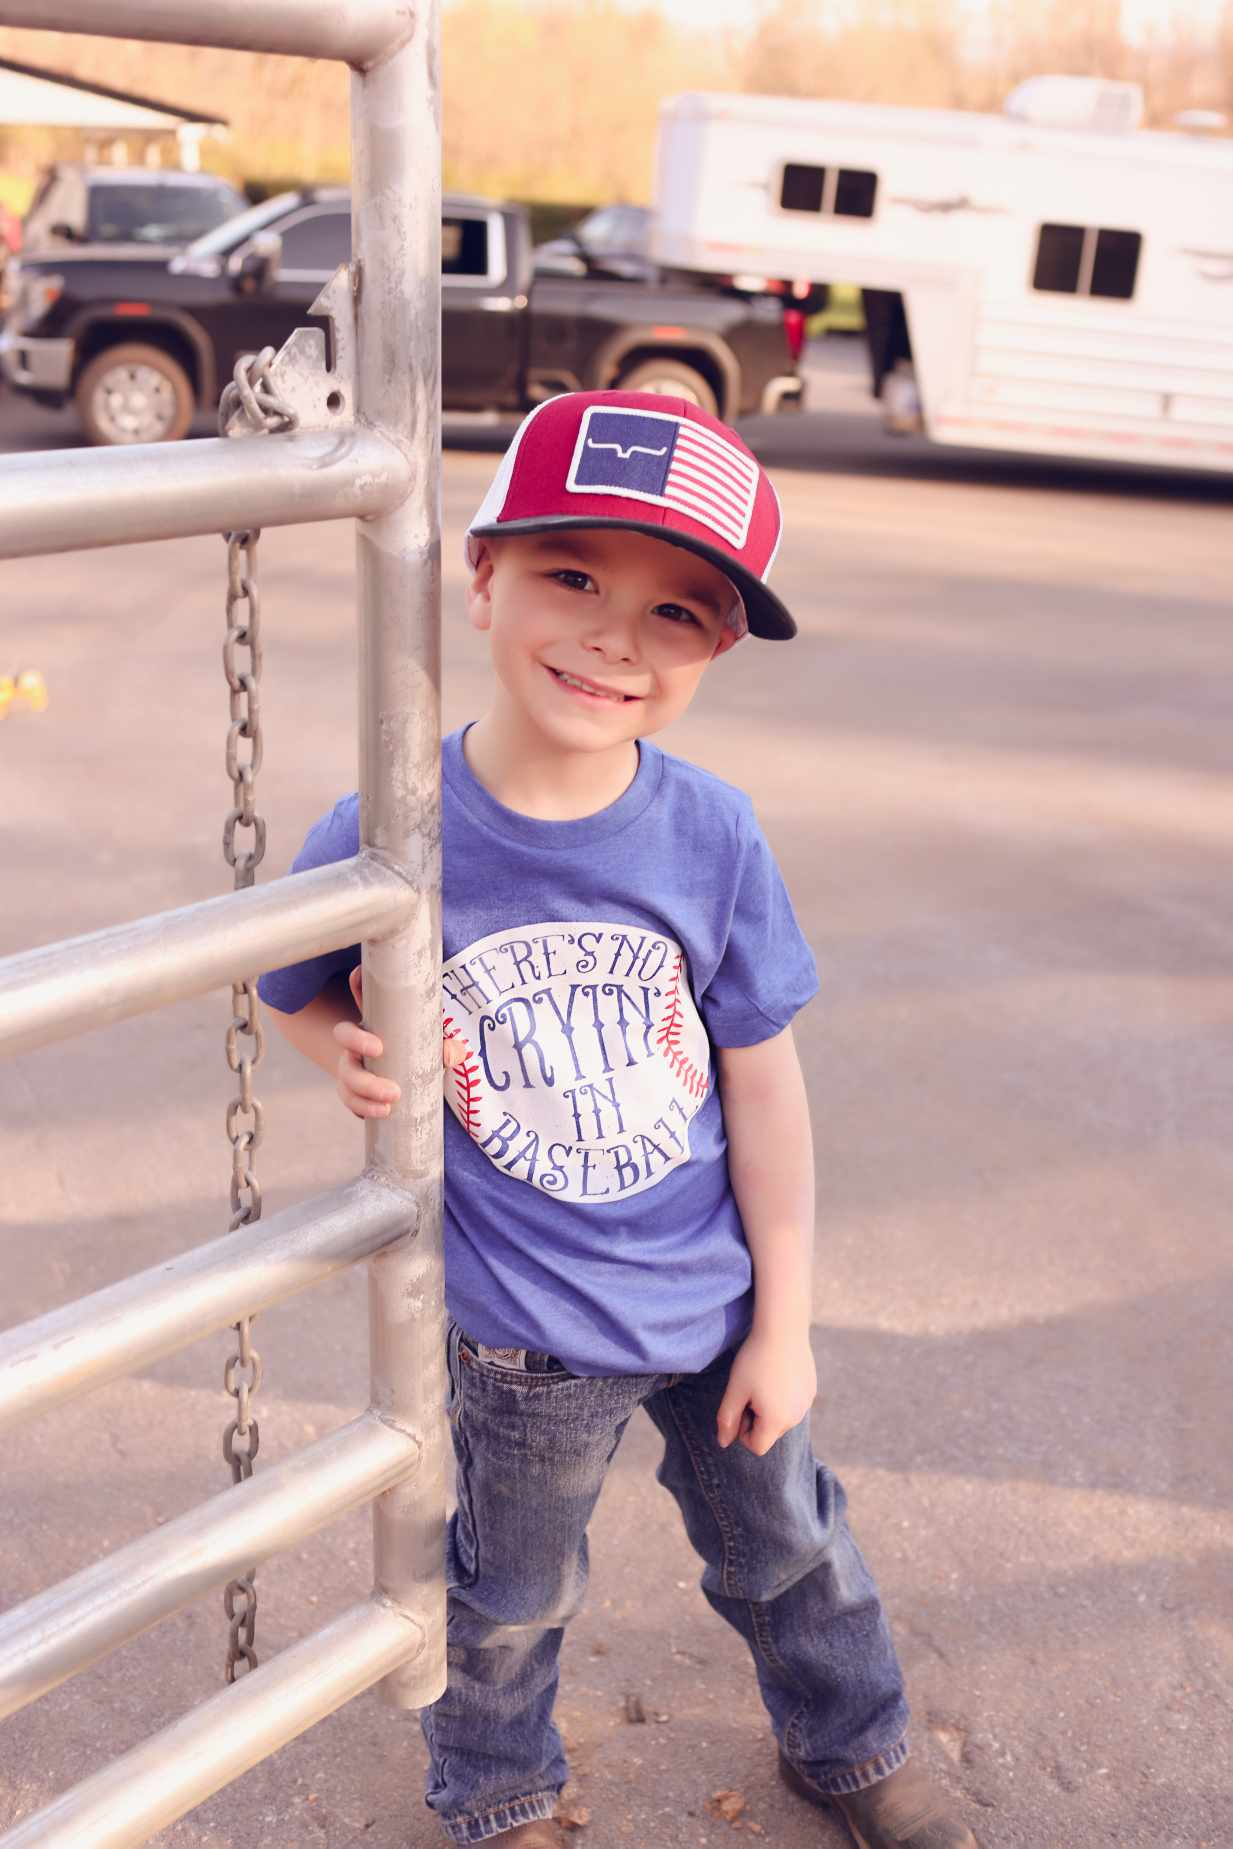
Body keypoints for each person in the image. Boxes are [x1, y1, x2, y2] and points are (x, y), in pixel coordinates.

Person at [258, 391, 976, 1849]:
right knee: (514, 1594)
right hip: (523, 1336)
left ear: (718, 647)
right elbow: (294, 988)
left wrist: (787, 1320)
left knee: (793, 1554)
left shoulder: (711, 836)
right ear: (482, 573)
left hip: (712, 1304)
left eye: (676, 612)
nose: (613, 638)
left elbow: (765, 1085)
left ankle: (854, 1750)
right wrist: (344, 1047)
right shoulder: (387, 832)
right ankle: (501, 1791)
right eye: (573, 576)